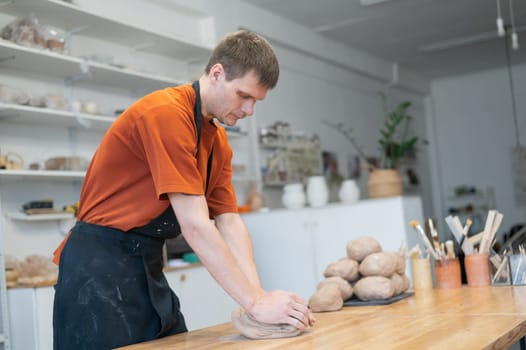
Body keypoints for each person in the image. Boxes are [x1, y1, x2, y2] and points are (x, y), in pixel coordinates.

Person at [52, 30, 315, 349]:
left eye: (256, 101)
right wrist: (257, 301)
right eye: (244, 96)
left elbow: (229, 222)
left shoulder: (218, 142)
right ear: (217, 73)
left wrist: (255, 303)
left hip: (146, 263)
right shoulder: (166, 113)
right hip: (98, 268)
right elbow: (194, 224)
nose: (249, 111)